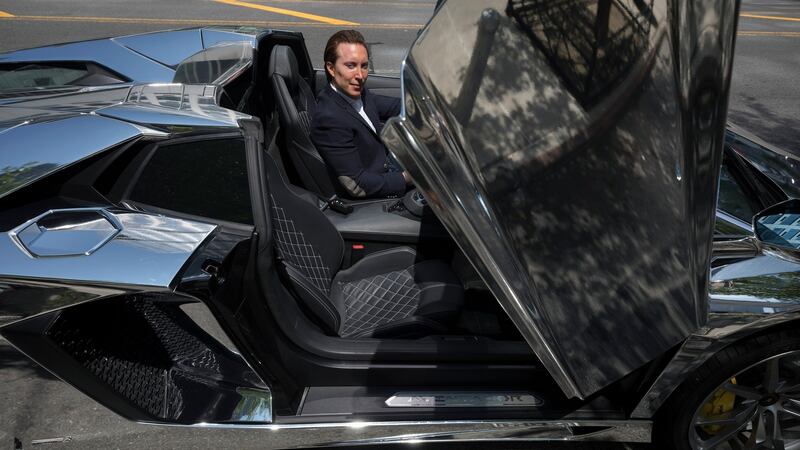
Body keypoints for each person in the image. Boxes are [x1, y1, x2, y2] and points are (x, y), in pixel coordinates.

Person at [310, 30, 412, 198]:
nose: (360, 75)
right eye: (351, 66)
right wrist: (408, 178)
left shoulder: (356, 94)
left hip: (389, 161)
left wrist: (426, 106)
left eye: (364, 66)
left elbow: (395, 106)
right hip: (382, 182)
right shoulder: (329, 118)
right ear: (331, 68)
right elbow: (357, 184)